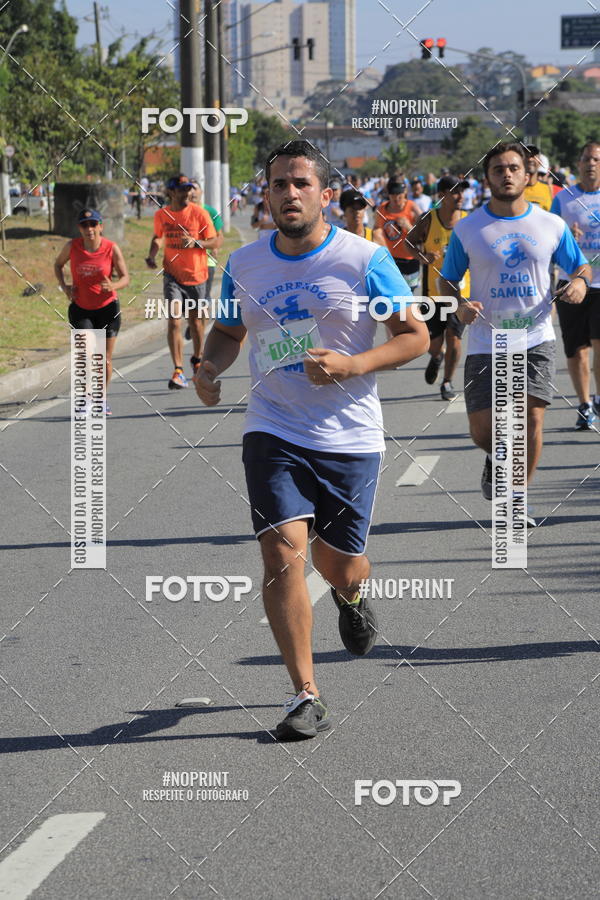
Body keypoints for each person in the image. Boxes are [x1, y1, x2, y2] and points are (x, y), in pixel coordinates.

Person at [193, 140, 429, 740]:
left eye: (301, 183)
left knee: (340, 565)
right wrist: (208, 367)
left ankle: (351, 597)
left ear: (325, 194)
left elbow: (413, 337)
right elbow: (226, 332)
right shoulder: (244, 265)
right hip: (274, 426)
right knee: (280, 555)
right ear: (265, 194)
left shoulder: (363, 259)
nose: (289, 193)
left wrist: (353, 365)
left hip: (349, 437)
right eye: (278, 184)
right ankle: (305, 693)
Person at [440, 142, 590, 527]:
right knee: (482, 431)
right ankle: (496, 457)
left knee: (531, 421)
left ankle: (516, 501)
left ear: (527, 175)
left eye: (513, 168)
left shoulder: (550, 224)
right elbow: (448, 280)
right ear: (487, 178)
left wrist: (578, 285)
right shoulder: (469, 228)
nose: (506, 174)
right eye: (497, 169)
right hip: (487, 341)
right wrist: (459, 304)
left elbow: (581, 268)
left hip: (535, 336)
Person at [54, 208, 130, 416]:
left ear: (101, 226)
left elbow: (125, 277)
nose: (89, 229)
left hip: (108, 309)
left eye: (93, 224)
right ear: (79, 228)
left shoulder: (111, 248)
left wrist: (114, 285)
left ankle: (101, 398)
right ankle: (86, 397)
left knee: (104, 357)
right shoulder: (72, 246)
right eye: (84, 225)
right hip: (81, 308)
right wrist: (65, 287)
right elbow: (58, 265)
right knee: (85, 354)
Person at [145, 174, 218, 388]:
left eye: (189, 189)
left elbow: (214, 241)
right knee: (174, 321)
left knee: (196, 323)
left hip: (196, 276)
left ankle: (197, 358)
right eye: (182, 190)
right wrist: (151, 255)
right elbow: (158, 236)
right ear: (171, 192)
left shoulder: (199, 214)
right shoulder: (162, 215)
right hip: (172, 276)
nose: (187, 193)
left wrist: (196, 243)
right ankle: (178, 370)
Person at [407, 175, 470, 400]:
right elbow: (408, 241)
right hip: (433, 294)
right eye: (455, 191)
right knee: (433, 344)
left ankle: (447, 382)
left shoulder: (468, 221)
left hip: (461, 293)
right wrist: (423, 257)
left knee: (454, 336)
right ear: (442, 194)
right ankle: (437, 357)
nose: (460, 196)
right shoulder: (429, 219)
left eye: (462, 191)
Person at [551, 141, 600, 429]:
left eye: (595, 159)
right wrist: (566, 236)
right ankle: (584, 404)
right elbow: (550, 240)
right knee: (576, 349)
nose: (591, 164)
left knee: (599, 344)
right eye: (586, 159)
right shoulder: (564, 199)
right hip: (571, 283)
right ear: (578, 164)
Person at [184, 181, 225, 346]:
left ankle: (200, 327)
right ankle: (193, 323)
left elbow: (219, 236)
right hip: (185, 264)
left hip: (206, 262)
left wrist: (211, 245)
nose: (192, 192)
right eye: (189, 188)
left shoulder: (210, 211)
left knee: (203, 299)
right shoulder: (181, 212)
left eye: (195, 188)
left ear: (201, 191)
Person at [373, 179, 421, 293]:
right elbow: (377, 229)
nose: (397, 198)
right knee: (392, 293)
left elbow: (424, 235)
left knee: (409, 293)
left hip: (411, 259)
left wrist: (408, 226)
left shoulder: (412, 207)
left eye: (400, 194)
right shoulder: (382, 209)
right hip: (391, 260)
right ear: (388, 194)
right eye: (393, 195)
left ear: (404, 193)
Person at [524, 146, 553, 211]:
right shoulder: (514, 188)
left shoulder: (547, 188)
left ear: (540, 162)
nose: (530, 159)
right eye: (526, 156)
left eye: (533, 156)